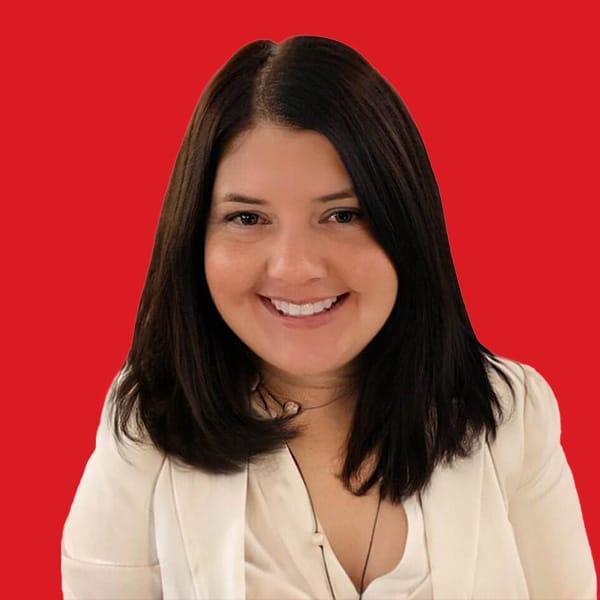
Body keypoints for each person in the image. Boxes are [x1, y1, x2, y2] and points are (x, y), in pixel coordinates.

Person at [61, 35, 596, 599]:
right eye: (247, 218)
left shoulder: (510, 416)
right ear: (194, 236)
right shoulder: (149, 428)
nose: (295, 268)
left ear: (407, 224)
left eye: (341, 214)